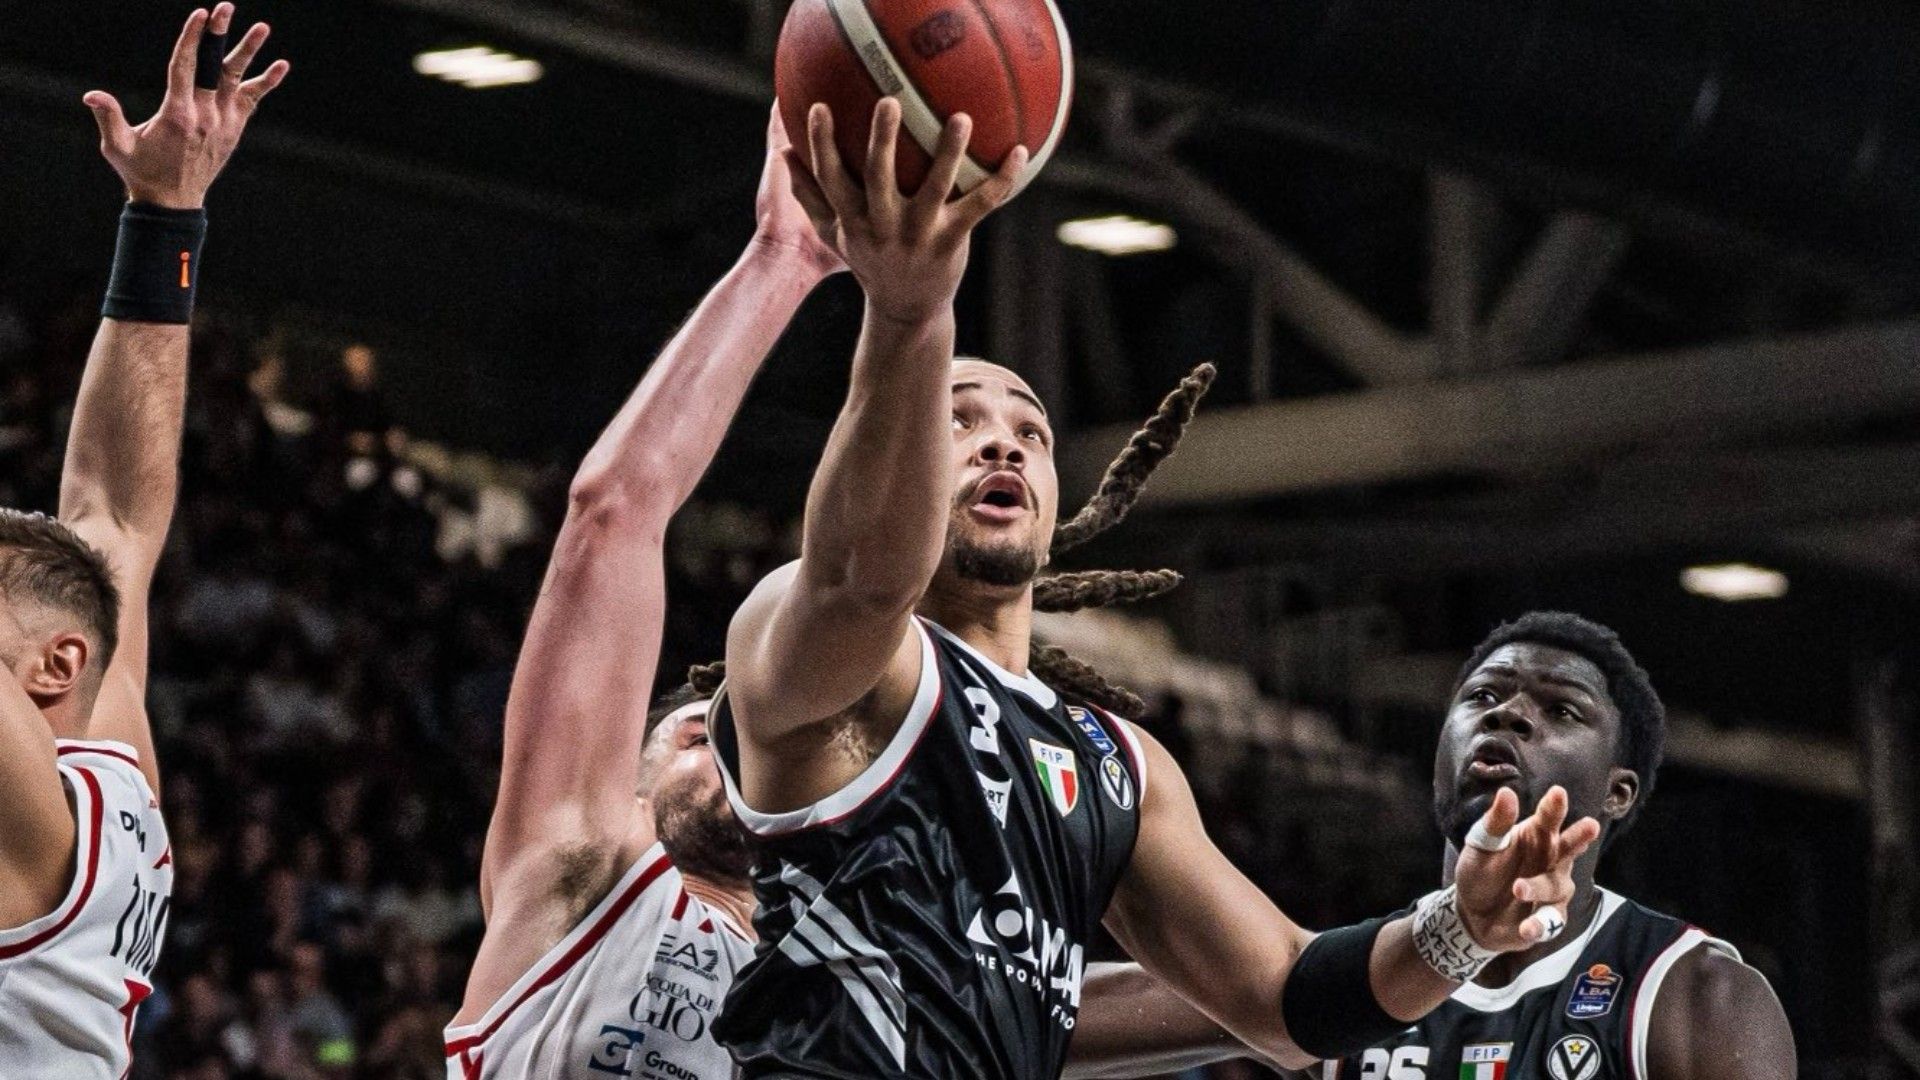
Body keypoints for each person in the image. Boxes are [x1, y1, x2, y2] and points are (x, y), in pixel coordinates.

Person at [707, 97, 1602, 1078]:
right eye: (957, 420)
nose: (1003, 442)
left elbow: (1282, 996)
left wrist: (1459, 929)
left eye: (1031, 431)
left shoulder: (1120, 765)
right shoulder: (826, 648)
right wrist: (909, 313)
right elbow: (861, 577)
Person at [0, 6, 286, 1076]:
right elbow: (115, 511)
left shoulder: (38, 816)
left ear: (53, 665)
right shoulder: (100, 769)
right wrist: (166, 216)